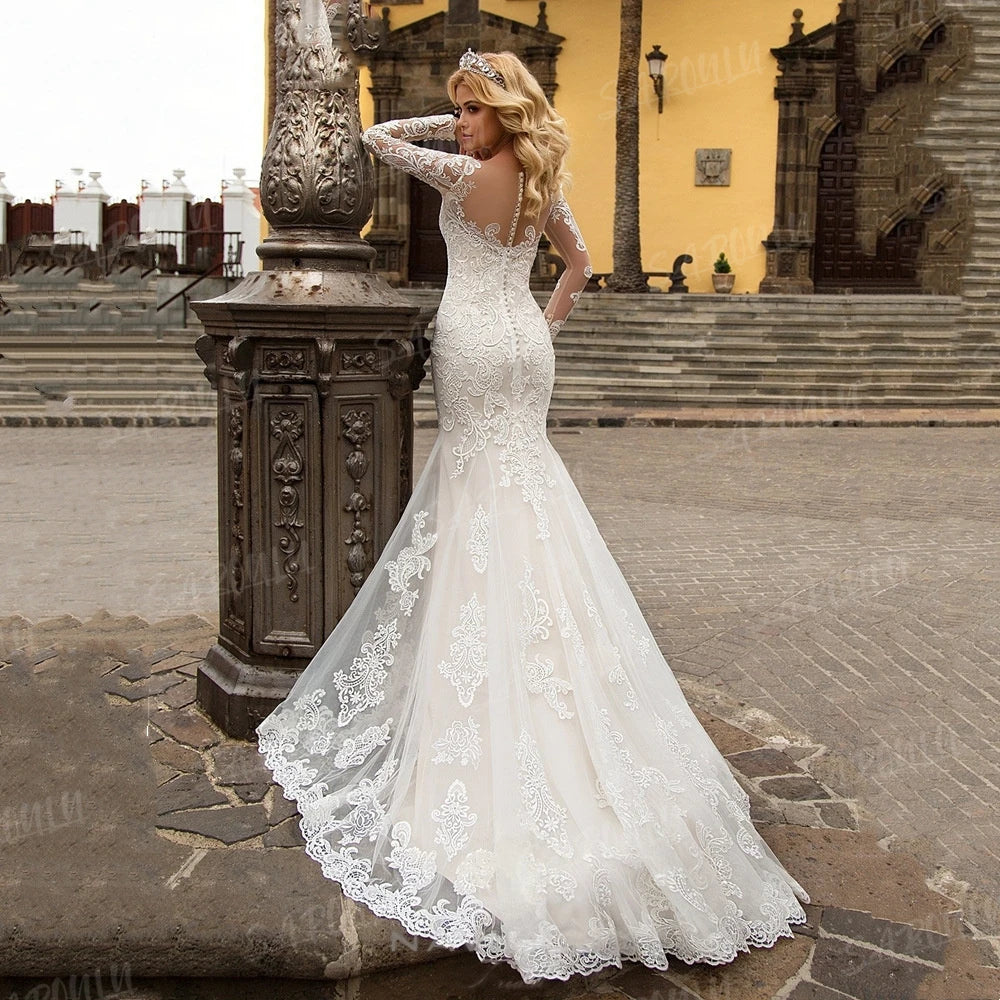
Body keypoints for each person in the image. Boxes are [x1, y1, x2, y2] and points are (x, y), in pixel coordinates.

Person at [257, 50, 808, 984]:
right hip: (521, 338)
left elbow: (375, 137)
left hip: (475, 340)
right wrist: (542, 323)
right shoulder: (539, 179)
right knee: (525, 494)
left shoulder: (465, 172)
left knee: (476, 492)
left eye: (471, 109)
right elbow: (582, 265)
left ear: (499, 120)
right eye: (457, 112)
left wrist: (442, 126)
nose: (459, 122)